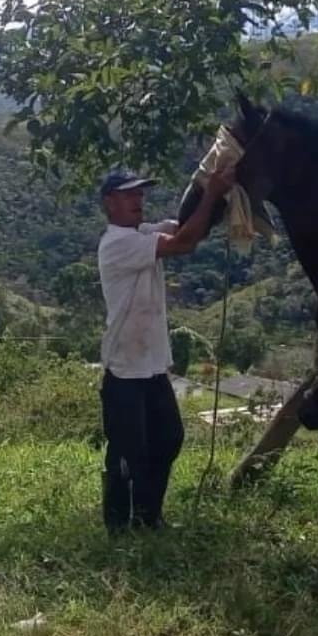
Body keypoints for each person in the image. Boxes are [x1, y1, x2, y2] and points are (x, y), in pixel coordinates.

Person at [97, 167, 235, 533]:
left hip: (152, 365)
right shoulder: (117, 244)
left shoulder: (142, 233)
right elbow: (184, 243)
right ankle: (119, 526)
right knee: (128, 453)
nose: (138, 201)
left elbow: (190, 227)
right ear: (109, 203)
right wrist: (211, 193)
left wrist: (219, 192)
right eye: (129, 195)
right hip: (125, 369)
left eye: (140, 195)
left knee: (168, 438)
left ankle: (148, 516)